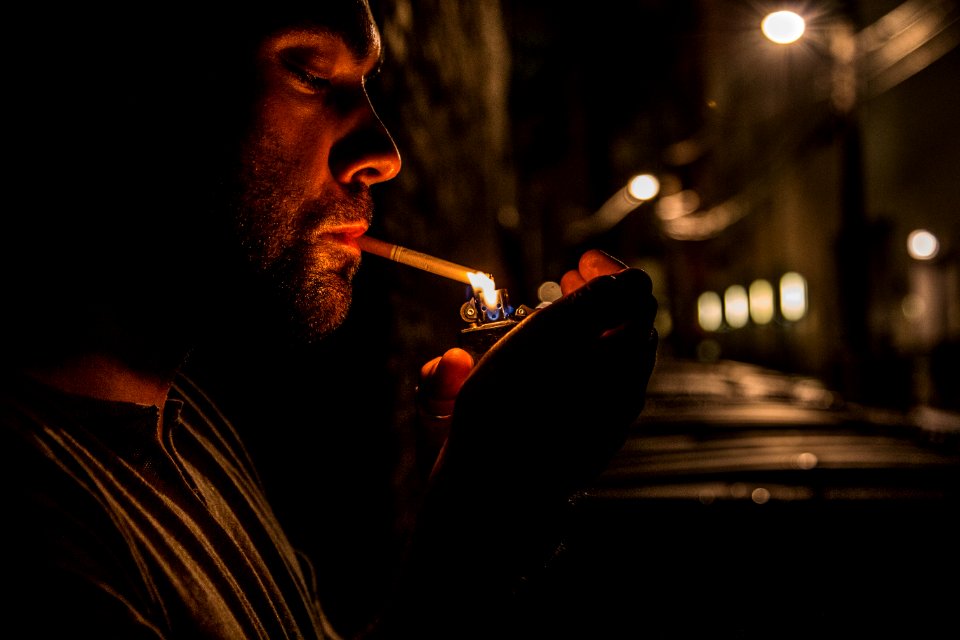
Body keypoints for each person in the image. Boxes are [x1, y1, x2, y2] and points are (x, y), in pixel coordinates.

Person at [1, 2, 659, 638]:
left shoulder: (186, 421)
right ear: (137, 84)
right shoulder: (35, 529)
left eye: (366, 83)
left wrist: (482, 494)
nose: (385, 152)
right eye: (311, 74)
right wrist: (476, 529)